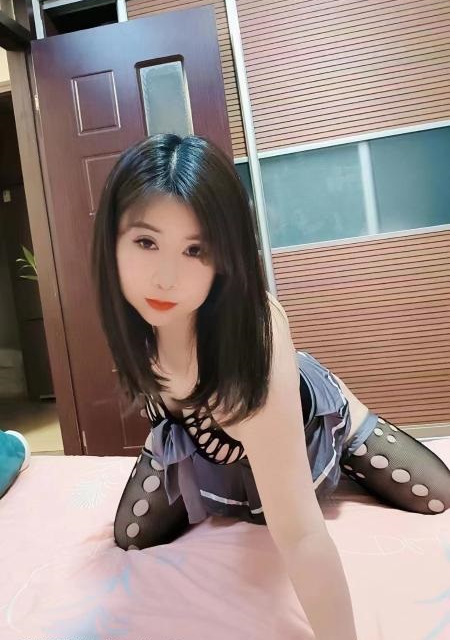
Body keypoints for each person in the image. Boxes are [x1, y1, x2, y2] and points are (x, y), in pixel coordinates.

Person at [91, 133, 450, 640]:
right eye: (146, 242)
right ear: (113, 239)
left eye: (195, 250)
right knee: (130, 536)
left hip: (297, 420)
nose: (165, 278)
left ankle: (343, 427)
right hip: (200, 439)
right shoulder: (133, 318)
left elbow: (300, 534)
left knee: (436, 495)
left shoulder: (250, 349)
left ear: (224, 257)